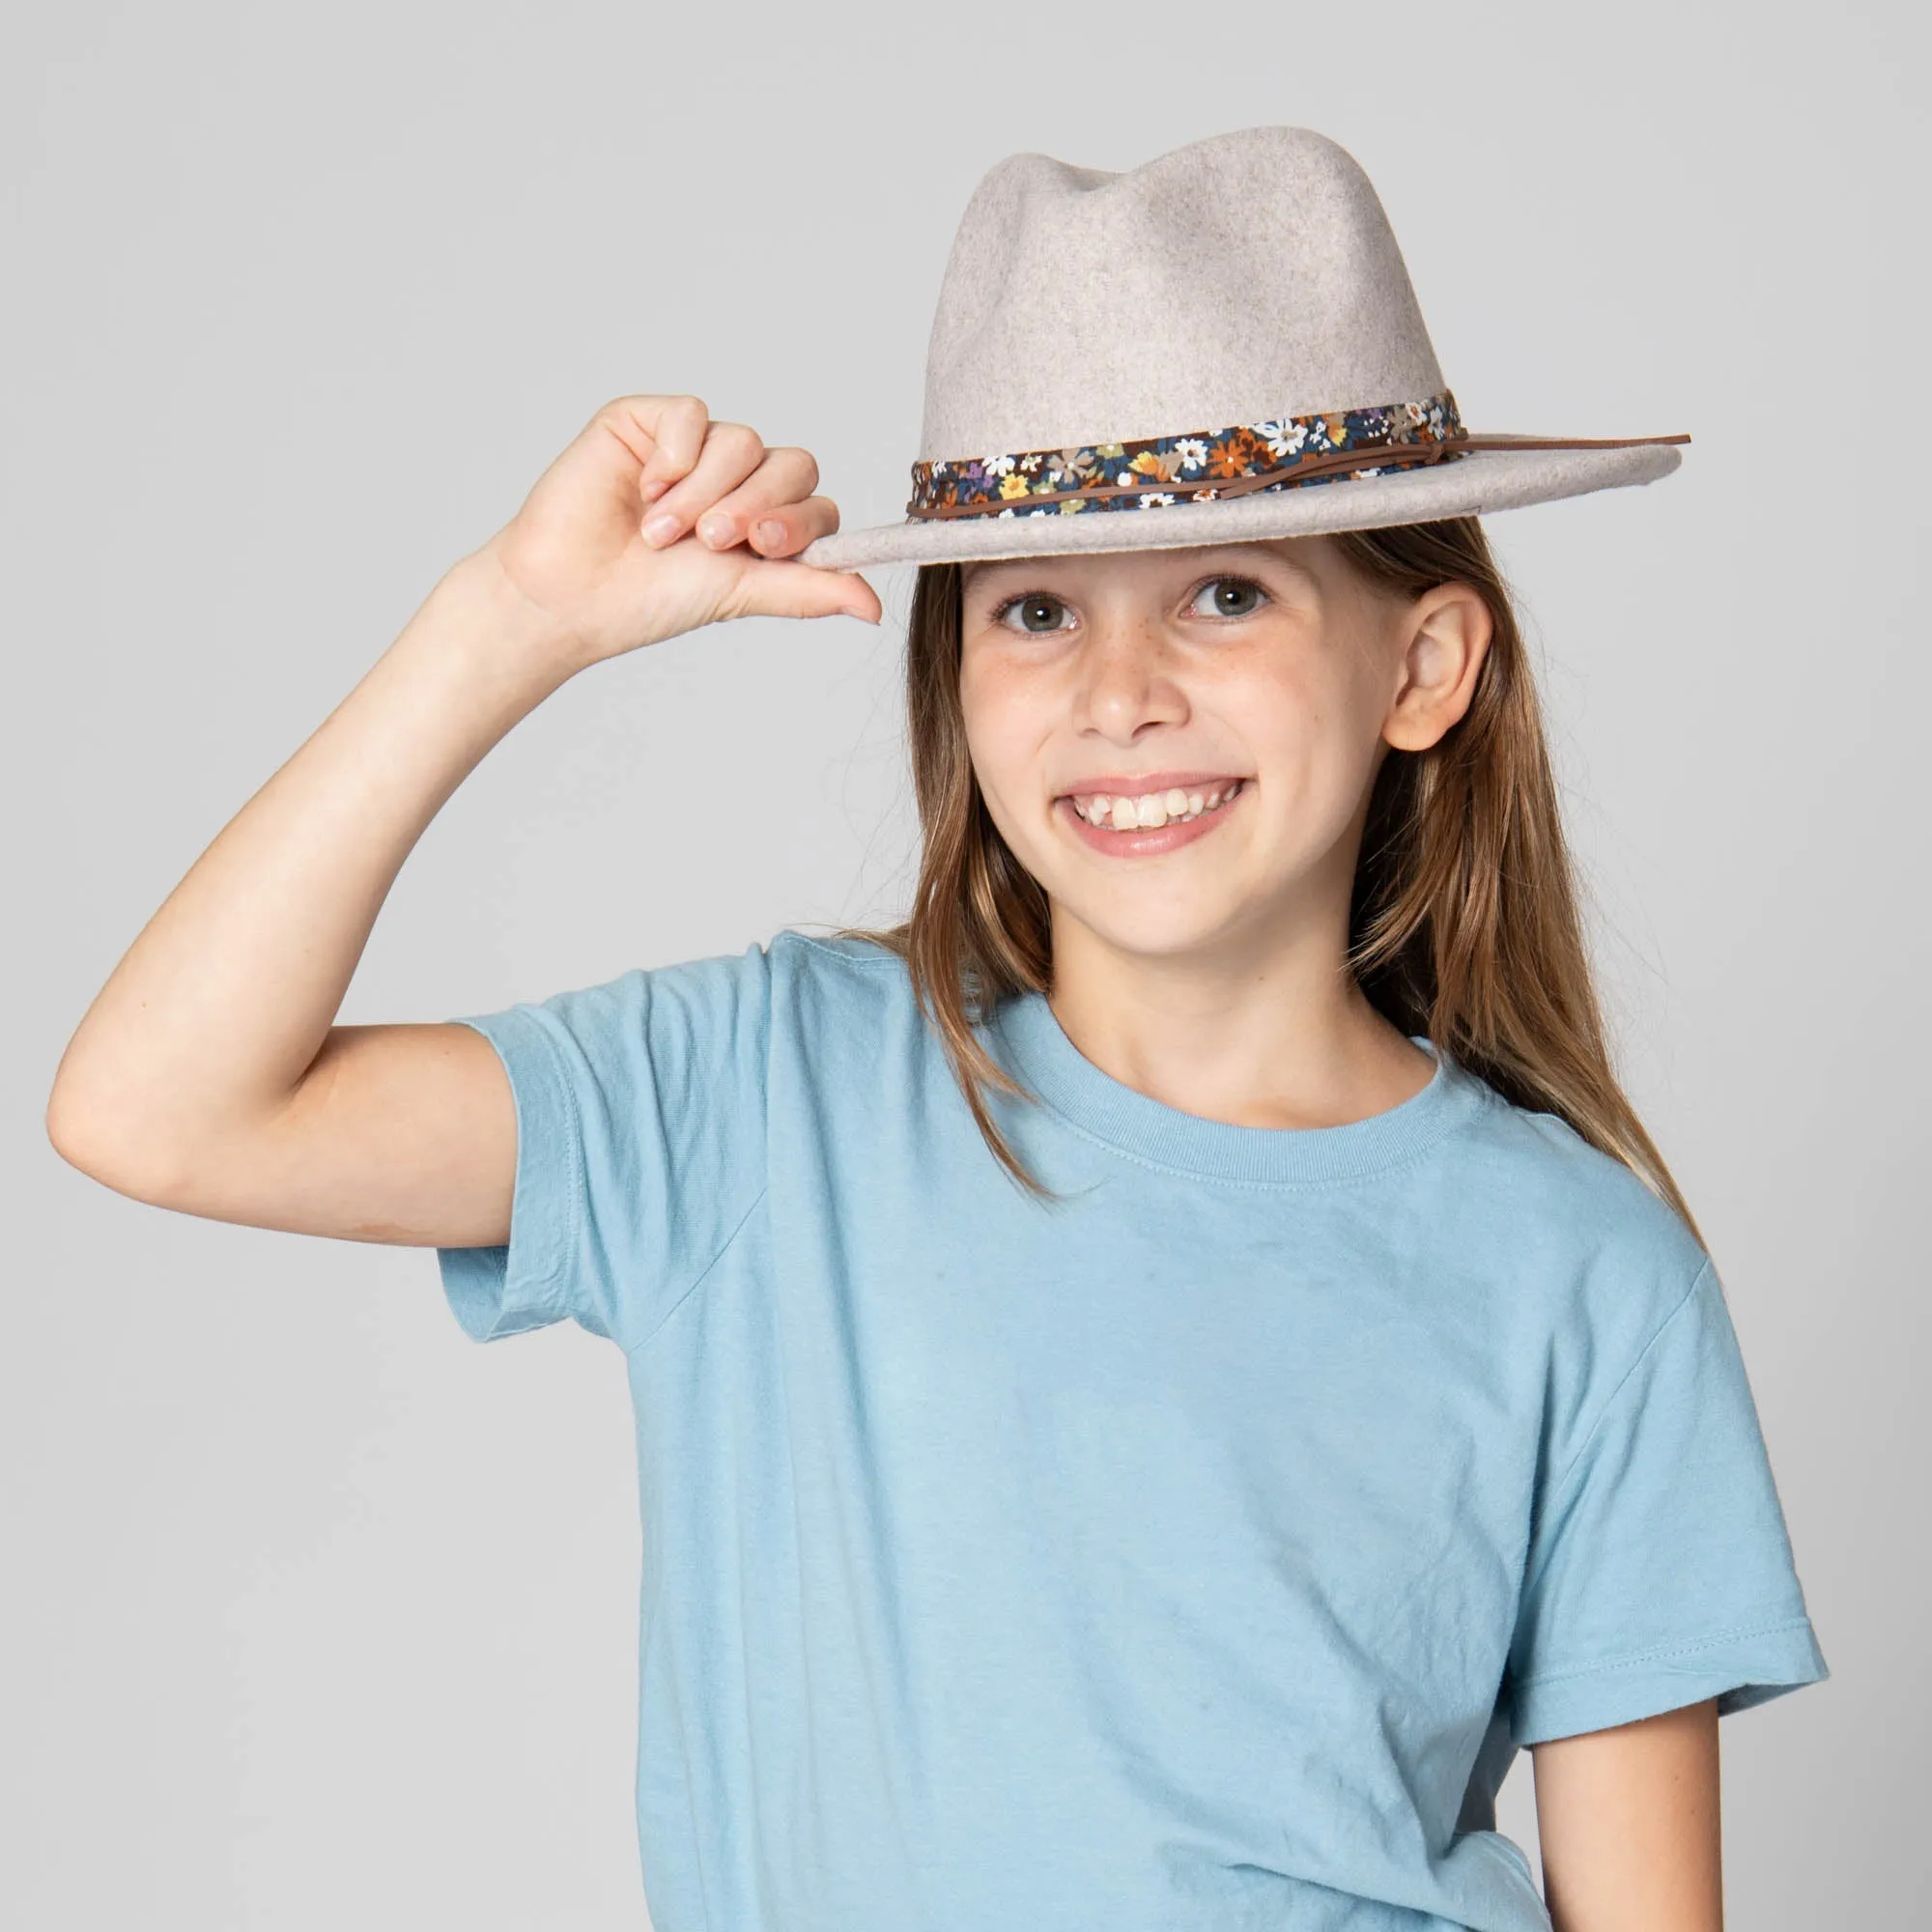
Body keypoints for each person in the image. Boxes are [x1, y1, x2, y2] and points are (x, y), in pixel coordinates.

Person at [46, 126, 1828, 1932]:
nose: (1122, 695)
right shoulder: (767, 1099)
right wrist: (506, 624)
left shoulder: (1585, 1269)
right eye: (1037, 610)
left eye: (1230, 593)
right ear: (958, 680)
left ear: (1426, 667)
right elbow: (164, 1110)